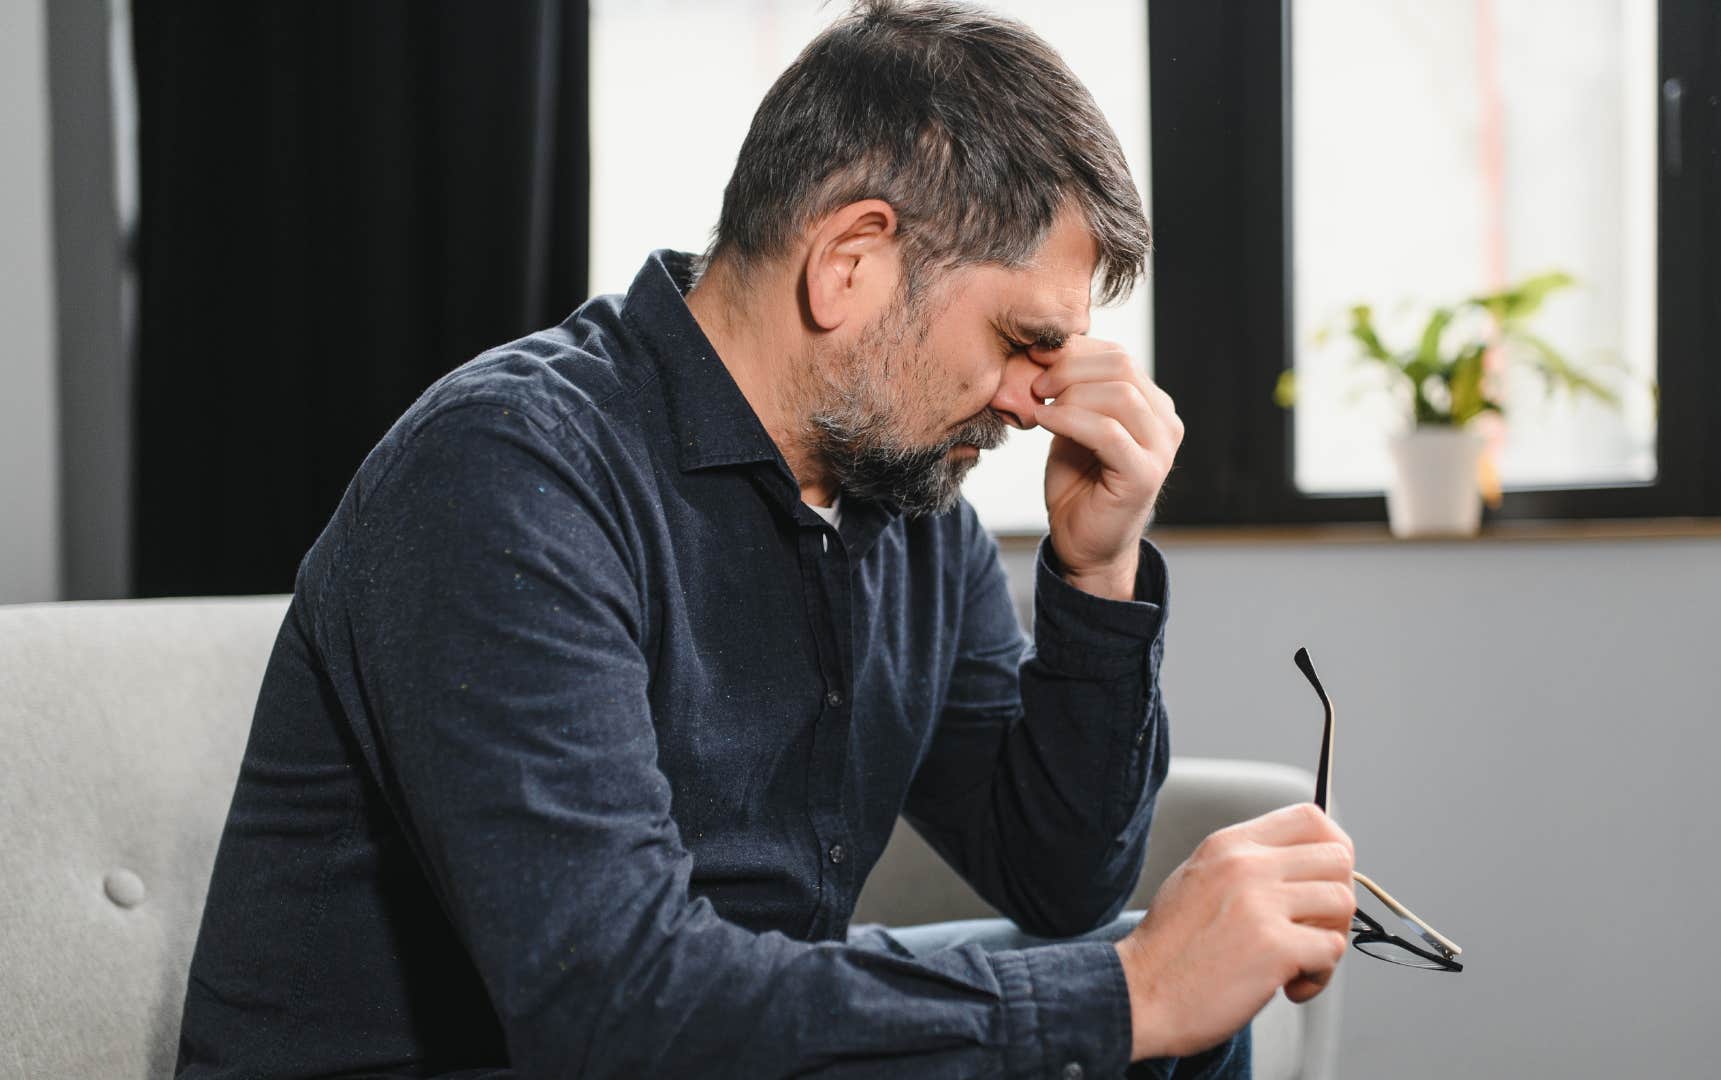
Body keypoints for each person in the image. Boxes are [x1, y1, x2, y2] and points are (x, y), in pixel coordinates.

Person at [174, 2, 1356, 1076]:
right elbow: (610, 1007)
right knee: (1127, 1001)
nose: (1030, 399)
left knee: (1173, 1025)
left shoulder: (902, 500)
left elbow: (1061, 880)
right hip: (556, 1048)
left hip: (699, 1044)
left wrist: (1096, 573)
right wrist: (1127, 993)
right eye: (1020, 338)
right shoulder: (508, 472)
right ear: (851, 261)